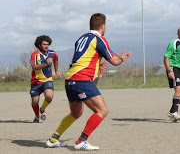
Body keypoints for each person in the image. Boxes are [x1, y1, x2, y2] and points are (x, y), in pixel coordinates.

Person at [46, 13, 132, 150]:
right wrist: (122, 58)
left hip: (70, 79)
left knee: (76, 113)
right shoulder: (99, 39)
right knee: (102, 110)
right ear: (103, 26)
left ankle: (53, 139)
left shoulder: (81, 38)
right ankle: (81, 141)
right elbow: (115, 61)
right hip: (82, 79)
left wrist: (98, 65)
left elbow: (83, 59)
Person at [30, 35, 61, 123]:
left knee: (49, 96)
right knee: (35, 101)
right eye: (44, 44)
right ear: (39, 45)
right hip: (36, 81)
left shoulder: (52, 53)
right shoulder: (35, 54)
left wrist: (56, 70)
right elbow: (34, 67)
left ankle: (42, 109)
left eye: (48, 44)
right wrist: (45, 64)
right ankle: (37, 116)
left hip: (47, 80)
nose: (46, 46)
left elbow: (56, 59)